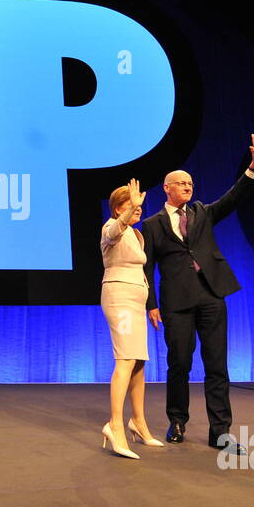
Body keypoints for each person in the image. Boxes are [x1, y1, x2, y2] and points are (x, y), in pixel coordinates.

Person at [143, 134, 254, 454]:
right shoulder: (152, 225)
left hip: (211, 295)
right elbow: (147, 268)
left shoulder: (202, 212)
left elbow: (232, 198)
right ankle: (178, 421)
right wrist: (151, 306)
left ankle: (220, 431)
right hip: (176, 303)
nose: (188, 186)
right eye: (181, 183)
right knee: (179, 363)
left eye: (191, 183)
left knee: (217, 365)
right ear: (166, 188)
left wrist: (253, 168)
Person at [99, 178, 164, 459]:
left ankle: (138, 422)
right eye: (130, 205)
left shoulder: (137, 235)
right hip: (119, 299)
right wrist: (126, 214)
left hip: (137, 301)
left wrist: (151, 304)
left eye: (138, 205)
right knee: (125, 359)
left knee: (138, 362)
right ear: (118, 209)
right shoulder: (111, 229)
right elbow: (115, 229)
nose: (137, 209)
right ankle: (115, 425)